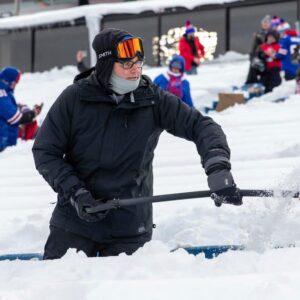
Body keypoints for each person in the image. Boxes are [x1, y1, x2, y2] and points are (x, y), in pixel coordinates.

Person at [32, 28, 243, 260]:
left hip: (130, 228)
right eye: (126, 64)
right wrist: (76, 192)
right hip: (74, 223)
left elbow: (201, 126)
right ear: (105, 66)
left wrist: (217, 167)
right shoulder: (74, 99)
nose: (135, 69)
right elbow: (46, 152)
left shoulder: (152, 99)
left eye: (138, 62)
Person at [0, 67, 41, 152]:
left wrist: (21, 107)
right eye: (15, 82)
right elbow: (15, 118)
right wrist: (33, 113)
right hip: (3, 140)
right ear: (8, 82)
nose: (15, 85)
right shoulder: (2, 95)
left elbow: (7, 109)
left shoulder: (4, 92)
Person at [245, 15, 272, 84]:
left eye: (267, 23)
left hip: (268, 57)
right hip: (259, 56)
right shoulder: (258, 34)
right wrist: (253, 58)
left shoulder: (273, 34)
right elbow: (254, 48)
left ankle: (261, 83)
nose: (265, 24)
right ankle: (250, 83)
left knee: (264, 68)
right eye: (264, 22)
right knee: (253, 66)